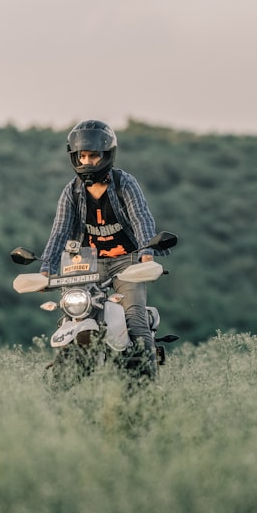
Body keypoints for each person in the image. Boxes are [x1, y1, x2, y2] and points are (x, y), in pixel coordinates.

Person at [39, 119, 164, 377]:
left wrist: (147, 254)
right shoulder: (71, 192)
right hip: (86, 263)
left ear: (106, 155)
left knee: (135, 321)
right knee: (71, 315)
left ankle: (148, 386)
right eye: (82, 156)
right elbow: (60, 230)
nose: (87, 162)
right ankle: (67, 369)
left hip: (126, 263)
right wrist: (46, 268)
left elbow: (142, 219)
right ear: (74, 157)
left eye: (93, 156)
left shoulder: (124, 184)